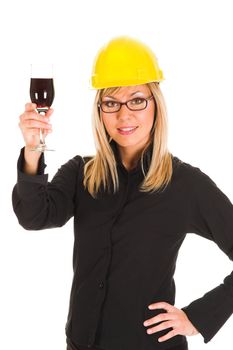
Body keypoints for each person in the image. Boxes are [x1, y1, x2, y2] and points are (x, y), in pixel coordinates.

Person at [12, 36, 233, 350]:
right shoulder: (81, 173)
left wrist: (198, 317)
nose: (124, 114)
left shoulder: (185, 184)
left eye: (137, 100)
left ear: (156, 104)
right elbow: (34, 216)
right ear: (100, 110)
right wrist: (33, 147)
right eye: (111, 102)